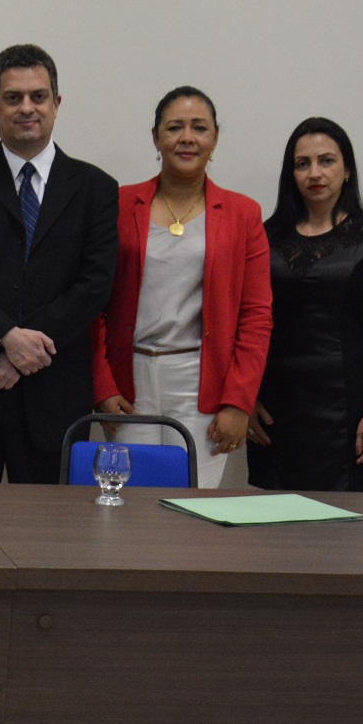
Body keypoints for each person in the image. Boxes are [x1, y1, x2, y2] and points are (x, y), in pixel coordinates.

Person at [0, 43, 119, 483]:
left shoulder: (96, 189)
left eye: (38, 96)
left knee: (53, 537)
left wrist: (22, 352)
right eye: (13, 98)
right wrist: (3, 337)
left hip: (56, 395)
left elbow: (94, 285)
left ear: (57, 103)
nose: (26, 108)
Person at [92, 87, 271, 488]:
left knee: (192, 512)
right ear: (156, 137)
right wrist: (103, 385)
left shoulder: (244, 213)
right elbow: (94, 303)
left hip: (201, 381)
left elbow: (256, 316)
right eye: (174, 127)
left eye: (199, 128)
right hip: (129, 383)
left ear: (215, 138)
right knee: (129, 501)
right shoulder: (118, 204)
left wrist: (239, 401)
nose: (187, 137)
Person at [247, 118, 363, 492]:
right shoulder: (264, 235)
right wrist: (245, 398)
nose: (314, 173)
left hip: (347, 406)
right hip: (274, 405)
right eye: (302, 163)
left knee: (344, 527)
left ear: (347, 169)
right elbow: (249, 321)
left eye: (327, 161)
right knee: (273, 524)